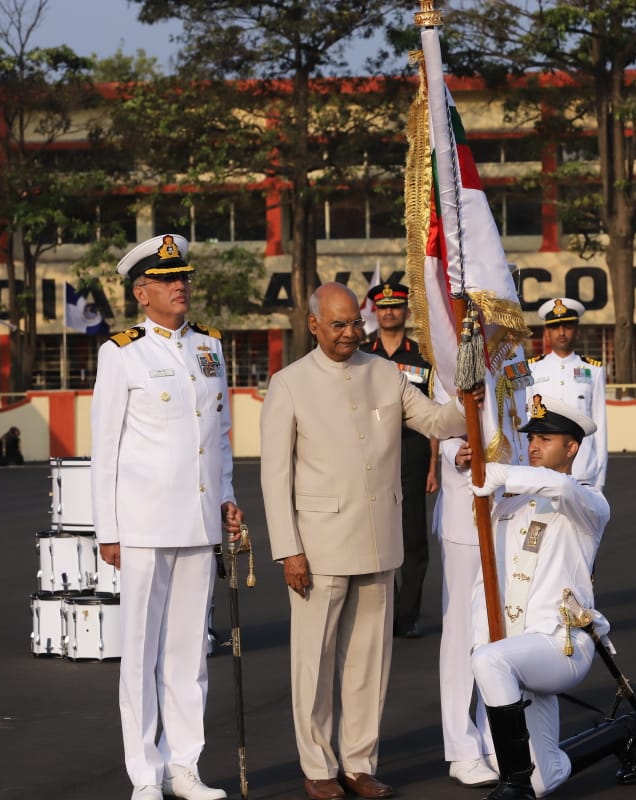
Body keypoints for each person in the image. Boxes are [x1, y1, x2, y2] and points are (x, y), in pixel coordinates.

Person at [260, 282, 471, 800]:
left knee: (370, 663)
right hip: (318, 546)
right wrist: (288, 549)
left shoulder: (385, 373)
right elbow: (274, 476)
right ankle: (317, 766)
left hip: (380, 541)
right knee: (314, 663)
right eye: (339, 324)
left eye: (356, 322)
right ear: (313, 325)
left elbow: (434, 421)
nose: (351, 332)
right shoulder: (288, 384)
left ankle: (358, 763)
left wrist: (472, 391)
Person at [91, 233, 244, 800]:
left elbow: (219, 437)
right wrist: (107, 529)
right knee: (140, 654)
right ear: (142, 291)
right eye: (168, 279)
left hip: (199, 520)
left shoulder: (210, 347)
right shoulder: (122, 352)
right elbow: (105, 447)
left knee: (189, 655)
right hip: (144, 524)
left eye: (184, 277)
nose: (181, 286)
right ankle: (145, 775)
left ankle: (186, 767)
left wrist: (226, 496)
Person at [462, 395, 636, 799]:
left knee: (489, 663)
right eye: (532, 438)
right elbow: (485, 580)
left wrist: (500, 472)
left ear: (572, 447)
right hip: (513, 650)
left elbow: (558, 485)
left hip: (559, 645)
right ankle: (620, 732)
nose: (533, 446)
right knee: (544, 778)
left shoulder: (587, 502)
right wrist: (473, 470)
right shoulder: (509, 502)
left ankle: (514, 789)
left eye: (546, 438)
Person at [360, 280, 439, 639]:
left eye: (396, 306)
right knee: (375, 537)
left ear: (406, 311)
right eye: (383, 306)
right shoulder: (363, 356)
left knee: (413, 541)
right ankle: (384, 614)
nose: (389, 311)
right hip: (371, 456)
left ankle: (407, 617)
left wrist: (434, 465)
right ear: (375, 312)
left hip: (412, 454)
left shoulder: (423, 356)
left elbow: (434, 412)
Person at [433, 420, 498, 788]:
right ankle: (462, 748)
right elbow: (443, 416)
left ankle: (494, 738)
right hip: (468, 511)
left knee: (501, 634)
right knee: (461, 635)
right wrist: (452, 451)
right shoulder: (455, 357)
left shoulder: (516, 358)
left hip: (511, 502)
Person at [520, 298, 608, 490]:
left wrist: (599, 481)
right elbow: (527, 422)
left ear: (577, 330)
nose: (561, 332)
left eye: (567, 326)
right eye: (555, 327)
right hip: (543, 470)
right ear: (547, 332)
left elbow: (600, 427)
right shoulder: (533, 368)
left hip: (583, 470)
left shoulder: (593, 370)